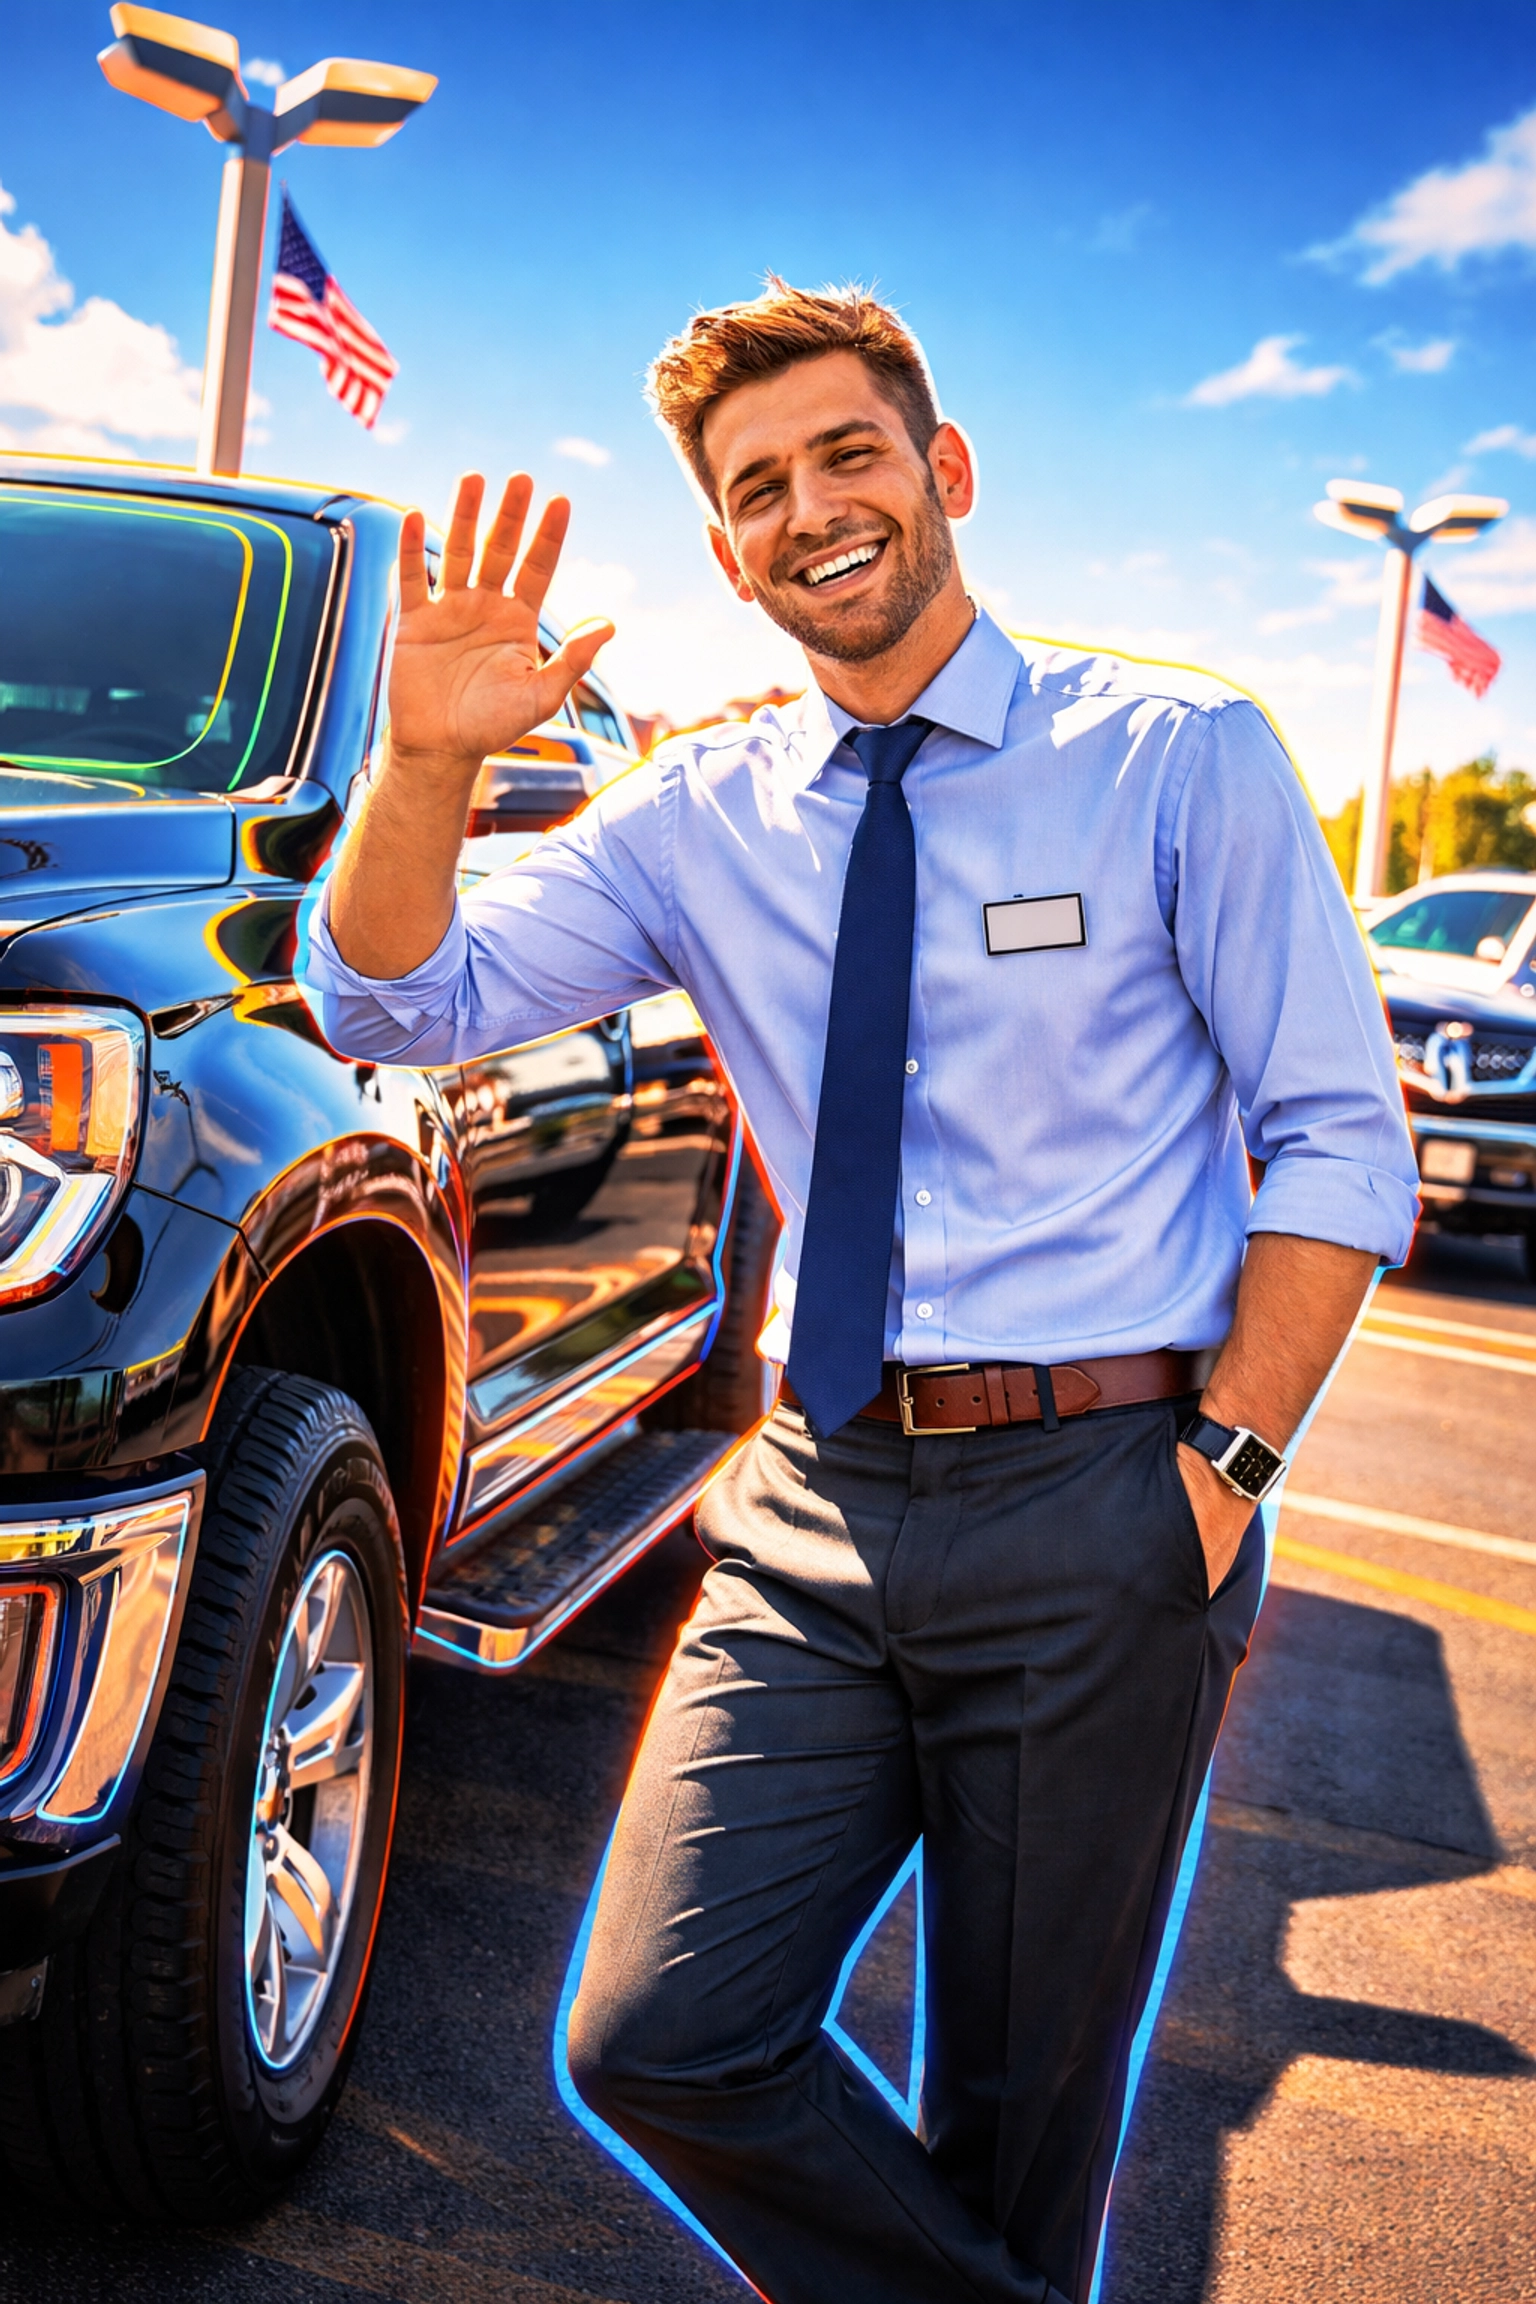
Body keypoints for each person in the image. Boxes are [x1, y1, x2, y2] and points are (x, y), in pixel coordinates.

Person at [305, 279, 1418, 2304]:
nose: (811, 507)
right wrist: (425, 769)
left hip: (1107, 1503)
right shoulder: (699, 812)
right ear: (727, 556)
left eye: (846, 454)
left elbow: (1342, 1142)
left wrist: (1221, 1469)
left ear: (943, 471)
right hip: (812, 1512)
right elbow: (398, 994)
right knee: (656, 2036)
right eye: (757, 488)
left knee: (1015, 2130)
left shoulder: (1176, 758)